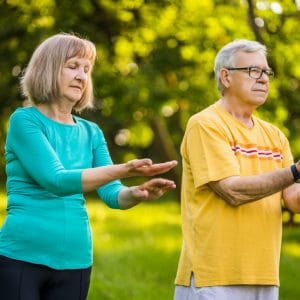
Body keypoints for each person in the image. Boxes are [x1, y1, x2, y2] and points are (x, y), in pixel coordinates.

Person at [0, 33, 178, 300]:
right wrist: (125, 169)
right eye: (72, 66)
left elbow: (112, 194)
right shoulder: (25, 121)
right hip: (23, 257)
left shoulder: (91, 132)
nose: (82, 76)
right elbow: (56, 180)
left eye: (86, 69)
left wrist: (137, 193)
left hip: (77, 259)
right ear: (47, 69)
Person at [174, 39, 300, 300]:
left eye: (267, 72)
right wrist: (295, 171)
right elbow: (232, 192)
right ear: (226, 77)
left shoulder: (275, 136)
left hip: (265, 276)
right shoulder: (205, 125)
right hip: (214, 277)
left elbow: (294, 200)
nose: (264, 79)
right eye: (254, 71)